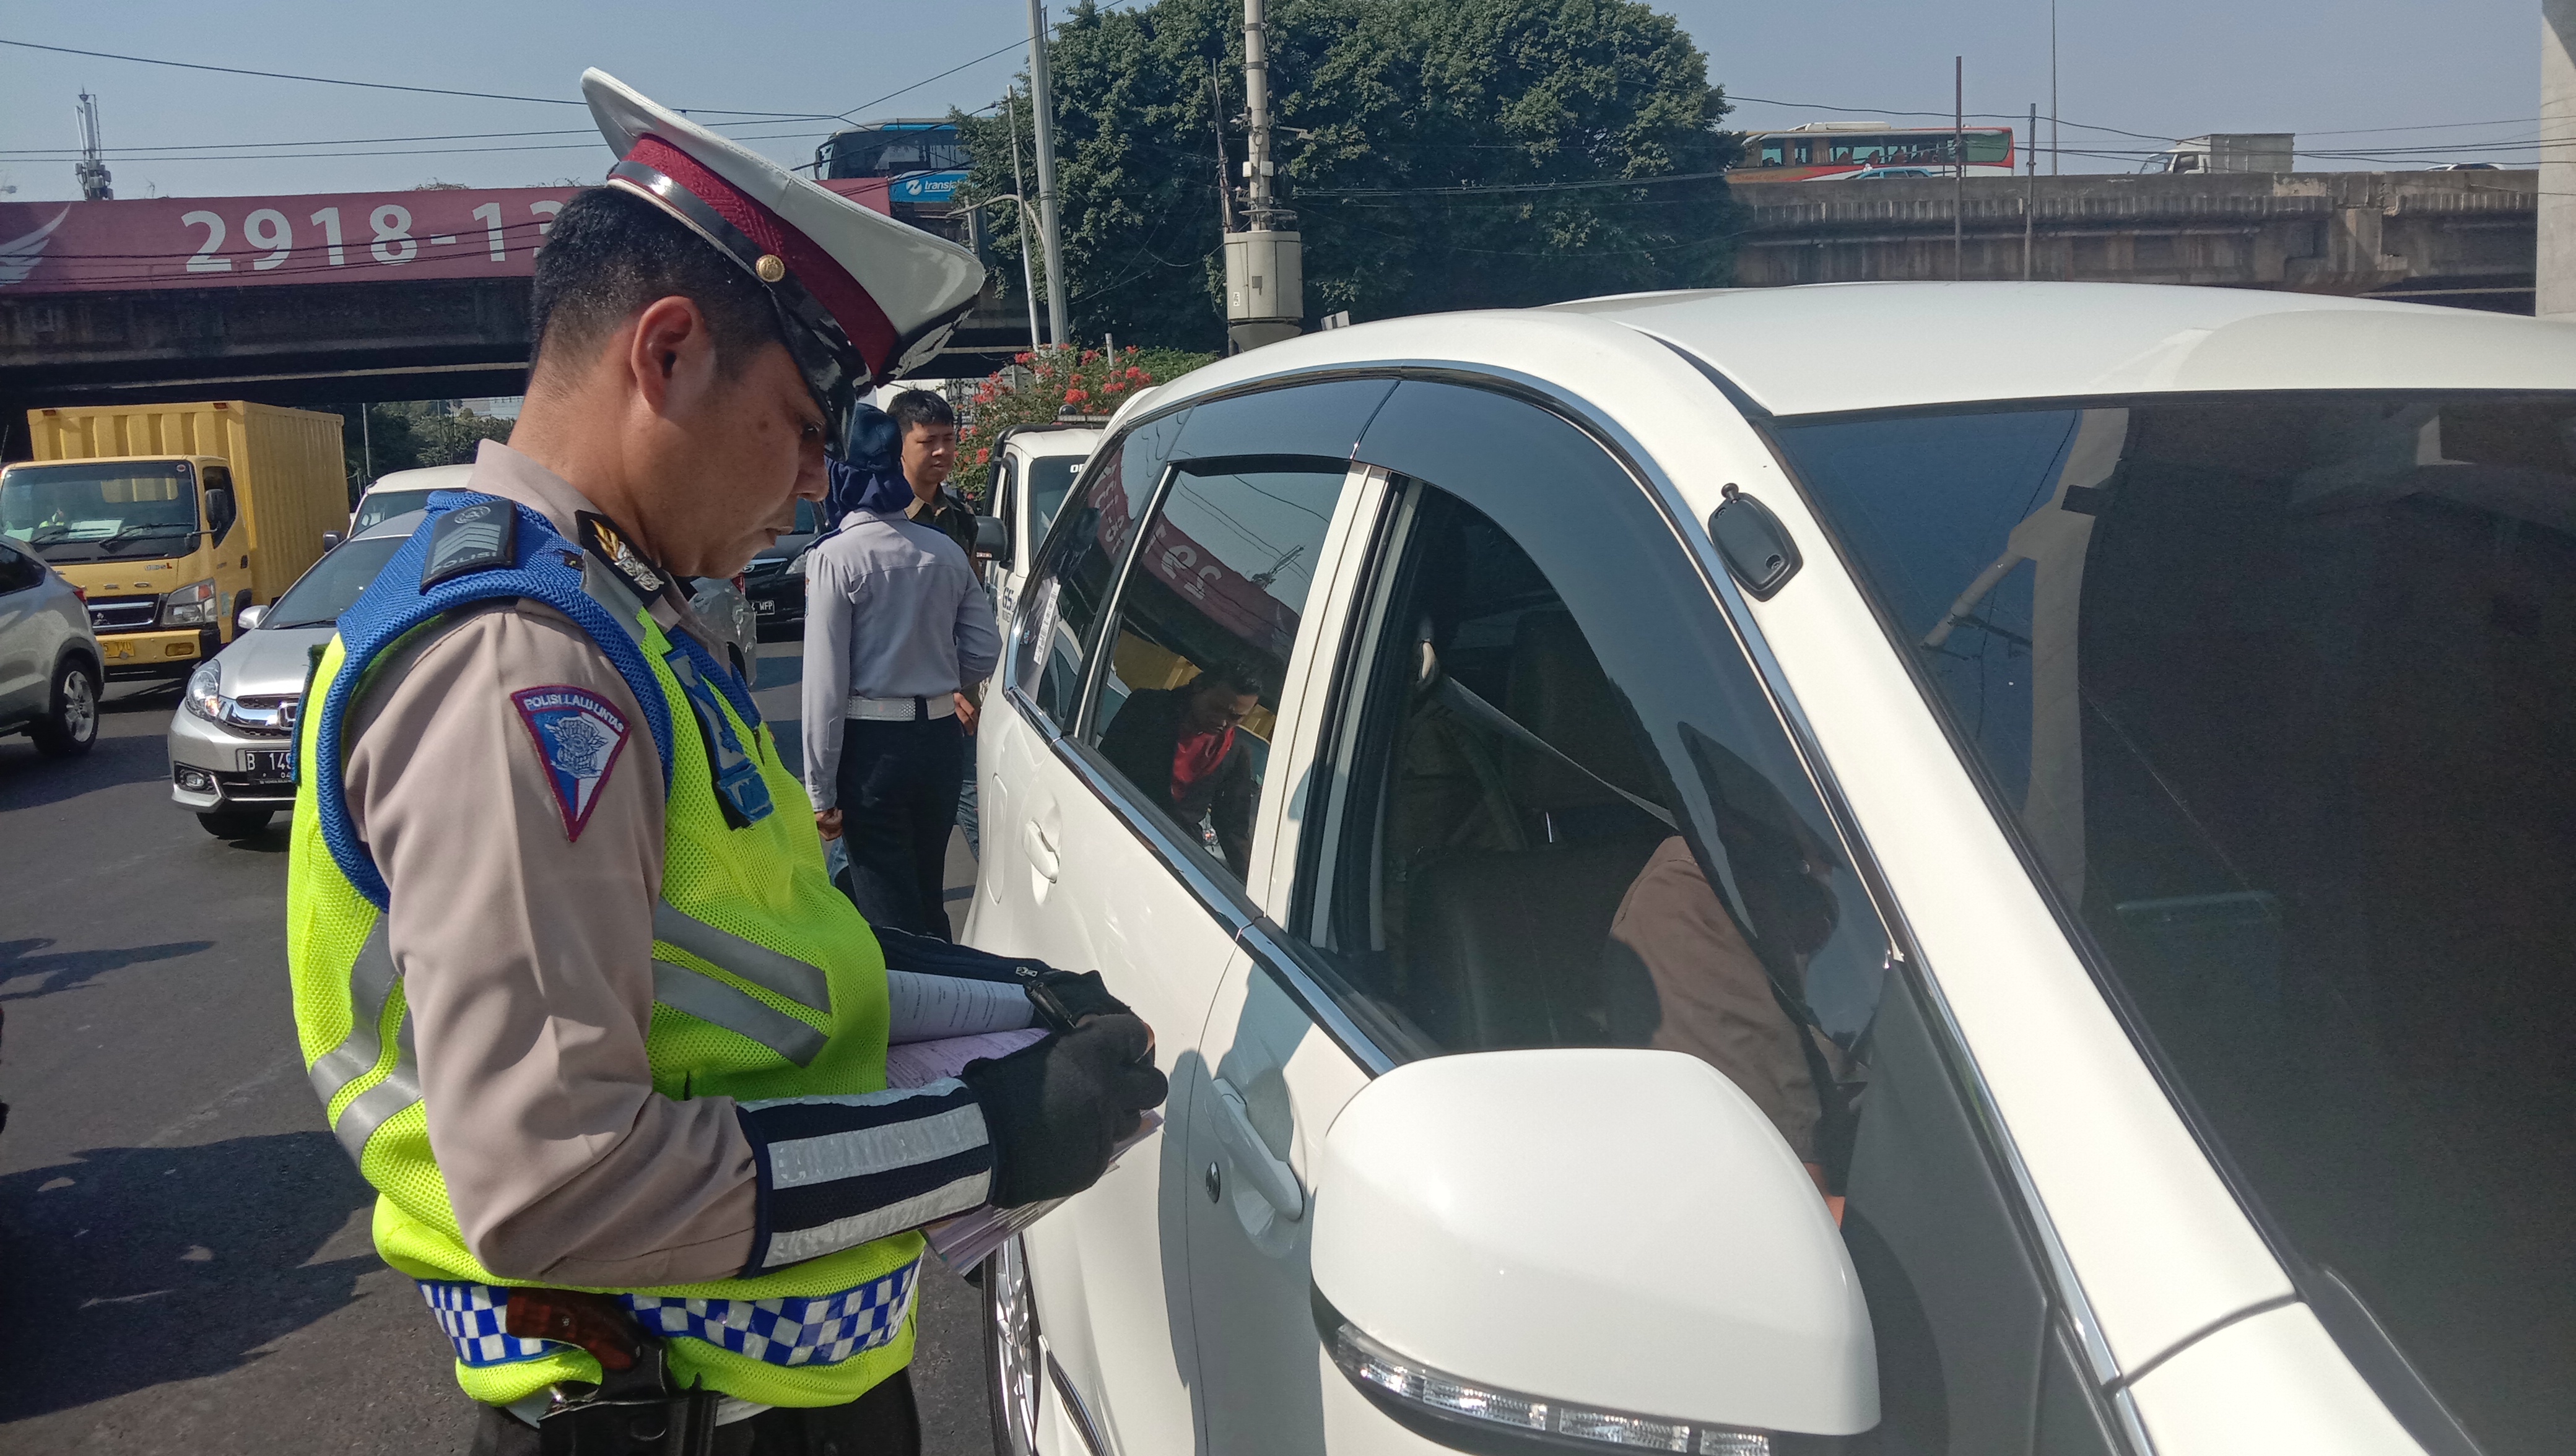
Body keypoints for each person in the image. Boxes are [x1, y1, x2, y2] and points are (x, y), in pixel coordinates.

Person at [283, 69, 1164, 1454]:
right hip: (670, 1414)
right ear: (669, 354)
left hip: (762, 1400)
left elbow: (747, 954)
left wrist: (1004, 996)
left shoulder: (622, 615)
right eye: (808, 430)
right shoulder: (522, 664)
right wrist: (986, 1138)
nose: (820, 484)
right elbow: (559, 1182)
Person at [802, 391, 998, 938]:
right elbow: (985, 649)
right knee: (928, 894)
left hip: (872, 748)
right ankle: (956, 1003)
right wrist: (939, 677)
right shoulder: (945, 548)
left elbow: (823, 685)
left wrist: (820, 791)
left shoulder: (836, 556)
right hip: (938, 741)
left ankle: (921, 1016)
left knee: (886, 912)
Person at [1097, 662, 1263, 878]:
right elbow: (1105, 764)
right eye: (1217, 708)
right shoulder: (1147, 707)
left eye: (1235, 718)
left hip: (1173, 855)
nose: (1223, 722)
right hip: (1114, 822)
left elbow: (1232, 826)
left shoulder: (1236, 753)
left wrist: (1251, 885)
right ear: (1198, 687)